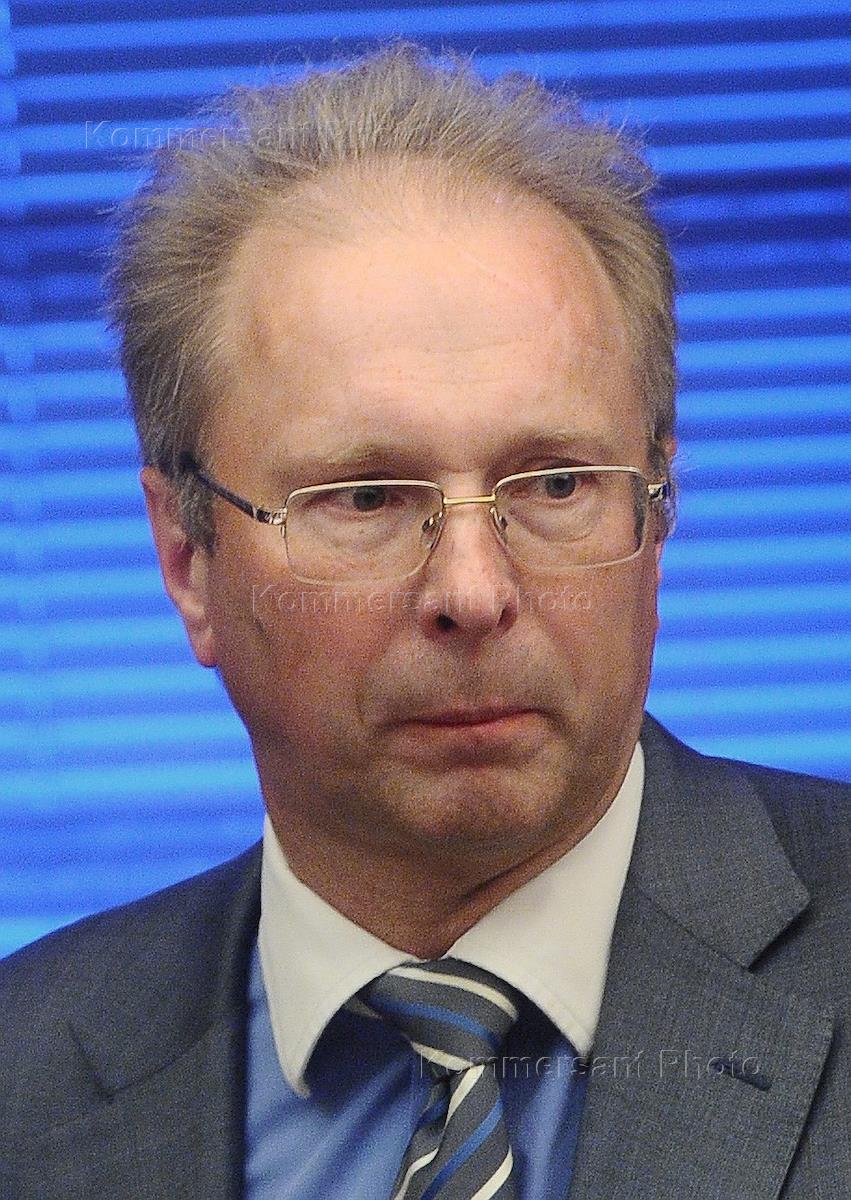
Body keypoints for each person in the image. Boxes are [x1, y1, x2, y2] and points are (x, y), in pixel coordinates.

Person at [1, 44, 848, 1200]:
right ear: (187, 558)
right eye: (364, 497)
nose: (472, 590)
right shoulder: (26, 1081)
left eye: (555, 483)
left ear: (656, 511)